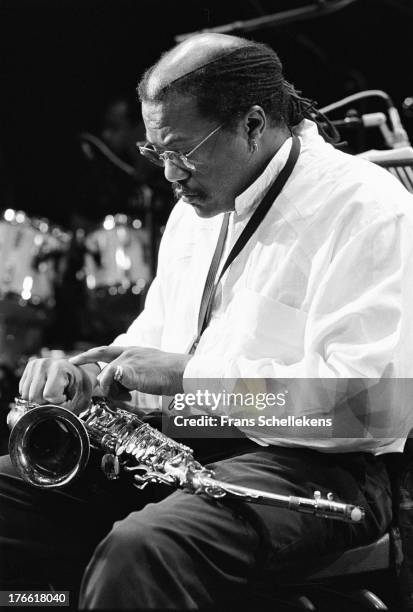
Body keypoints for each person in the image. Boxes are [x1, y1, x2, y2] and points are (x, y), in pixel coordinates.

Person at [2, 33, 413, 609]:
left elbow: (372, 409)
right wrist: (91, 376)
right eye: (156, 154)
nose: (169, 174)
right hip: (187, 449)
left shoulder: (367, 209)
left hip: (327, 468)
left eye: (182, 152)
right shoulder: (193, 214)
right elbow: (153, 347)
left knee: (141, 551)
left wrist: (193, 381)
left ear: (252, 123)